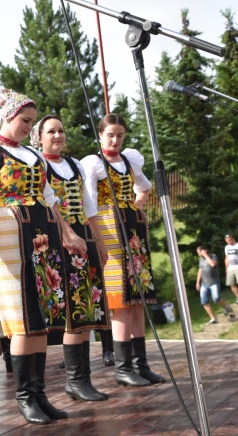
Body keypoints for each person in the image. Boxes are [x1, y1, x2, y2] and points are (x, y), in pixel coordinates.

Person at [0, 89, 87, 426]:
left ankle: (39, 394)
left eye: (31, 122)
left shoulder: (33, 156)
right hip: (10, 239)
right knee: (22, 319)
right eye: (24, 120)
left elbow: (50, 198)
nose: (28, 127)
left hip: (41, 237)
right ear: (7, 116)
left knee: (40, 320)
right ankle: (25, 397)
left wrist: (67, 232)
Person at [30, 115, 110, 402]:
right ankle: (75, 380)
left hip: (83, 236)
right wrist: (64, 236)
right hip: (58, 239)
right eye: (51, 130)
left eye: (61, 130)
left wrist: (100, 241)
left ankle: (82, 379)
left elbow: (90, 207)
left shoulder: (75, 165)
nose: (58, 135)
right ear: (38, 136)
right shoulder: (36, 163)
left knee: (88, 305)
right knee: (72, 308)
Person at [82, 113, 164, 388]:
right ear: (101, 135)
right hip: (108, 230)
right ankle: (123, 367)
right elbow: (89, 205)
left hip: (133, 232)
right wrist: (97, 241)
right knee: (121, 301)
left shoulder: (130, 160)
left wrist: (137, 204)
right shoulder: (93, 164)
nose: (115, 140)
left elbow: (144, 188)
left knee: (139, 298)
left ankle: (141, 364)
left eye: (119, 135)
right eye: (110, 135)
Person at [195, 245, 230, 324]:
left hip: (214, 282)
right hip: (204, 283)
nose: (199, 255)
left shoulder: (213, 256)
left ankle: (226, 306)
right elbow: (200, 270)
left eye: (199, 253)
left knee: (216, 298)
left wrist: (205, 255)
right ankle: (213, 318)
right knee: (204, 301)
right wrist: (197, 282)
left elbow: (213, 264)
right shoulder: (201, 260)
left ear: (204, 250)